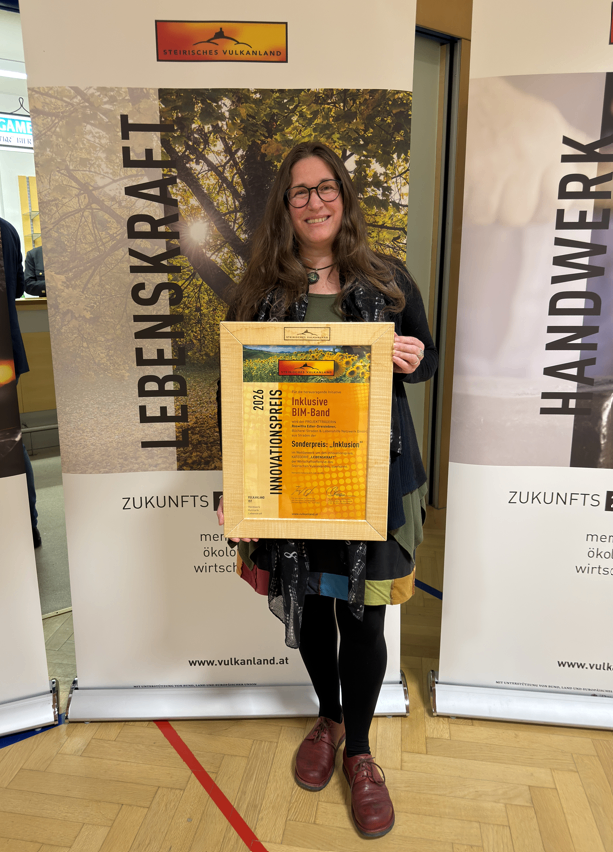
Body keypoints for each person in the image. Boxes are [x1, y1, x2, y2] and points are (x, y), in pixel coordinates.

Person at [217, 141, 437, 838]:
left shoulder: (389, 279)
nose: (314, 201)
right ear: (284, 208)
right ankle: (330, 717)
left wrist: (410, 359)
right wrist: (235, 485)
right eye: (299, 192)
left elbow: (422, 363)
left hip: (372, 483)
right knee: (310, 606)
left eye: (324, 187)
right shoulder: (260, 292)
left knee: (364, 619)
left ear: (343, 194)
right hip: (291, 481)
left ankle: (362, 753)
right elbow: (238, 394)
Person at [0, 218, 41, 547]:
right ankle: (30, 523)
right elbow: (17, 289)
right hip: (5, 351)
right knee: (11, 442)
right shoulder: (6, 229)